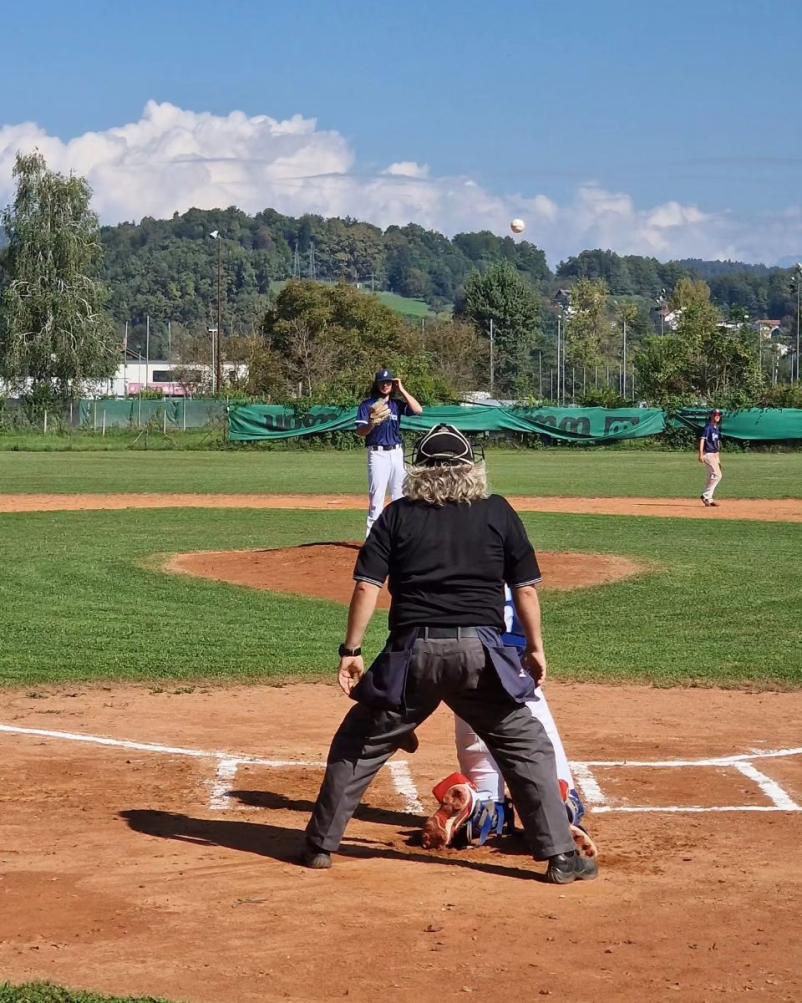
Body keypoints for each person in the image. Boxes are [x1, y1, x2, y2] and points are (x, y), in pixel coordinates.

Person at [301, 423, 598, 884]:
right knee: (529, 748)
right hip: (481, 655)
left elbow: (367, 586)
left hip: (412, 654)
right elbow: (526, 590)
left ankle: (320, 845)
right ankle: (560, 856)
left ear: (419, 471)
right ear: (470, 469)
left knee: (357, 746)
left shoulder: (398, 515)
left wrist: (351, 650)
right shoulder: (497, 511)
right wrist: (535, 648)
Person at [421, 585, 597, 861]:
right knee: (537, 747)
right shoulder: (504, 540)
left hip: (465, 656)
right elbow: (525, 591)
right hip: (513, 660)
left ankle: (475, 804)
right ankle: (560, 807)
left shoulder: (446, 550)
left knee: (489, 800)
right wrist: (535, 647)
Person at [356, 369, 423, 536]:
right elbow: (361, 432)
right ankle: (372, 539)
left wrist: (402, 390)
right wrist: (371, 422)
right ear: (377, 384)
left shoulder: (396, 405)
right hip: (377, 454)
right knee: (376, 498)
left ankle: (402, 537)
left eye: (389, 382)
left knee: (400, 497)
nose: (385, 385)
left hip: (396, 453)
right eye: (382, 382)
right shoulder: (367, 405)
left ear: (393, 384)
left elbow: (418, 410)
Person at [699, 408, 723, 507]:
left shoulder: (716, 428)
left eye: (718, 414)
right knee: (717, 475)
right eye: (715, 414)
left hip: (714, 454)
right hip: (708, 454)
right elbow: (702, 440)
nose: (717, 416)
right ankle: (705, 496)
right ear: (711, 416)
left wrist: (718, 459)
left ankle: (708, 498)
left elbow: (716, 444)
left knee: (713, 476)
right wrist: (700, 454)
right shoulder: (708, 427)